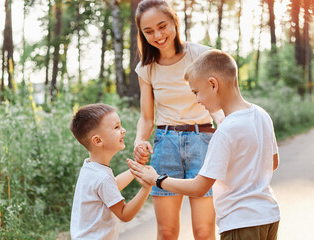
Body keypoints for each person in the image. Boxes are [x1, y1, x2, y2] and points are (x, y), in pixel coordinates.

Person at [129, 50, 281, 240]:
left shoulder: (225, 130)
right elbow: (272, 163)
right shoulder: (261, 114)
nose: (197, 100)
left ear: (213, 84)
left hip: (240, 222)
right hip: (269, 216)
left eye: (196, 92)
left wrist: (157, 179)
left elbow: (200, 187)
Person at [132, 0, 225, 239]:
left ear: (174, 21)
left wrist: (230, 132)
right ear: (142, 34)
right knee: (167, 232)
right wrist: (138, 142)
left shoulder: (201, 54)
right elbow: (146, 117)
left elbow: (219, 102)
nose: (157, 35)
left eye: (162, 26)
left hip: (203, 141)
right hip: (166, 144)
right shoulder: (147, 68)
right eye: (149, 31)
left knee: (204, 232)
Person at [69, 103, 151, 239]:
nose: (123, 130)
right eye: (116, 127)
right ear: (98, 140)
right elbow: (124, 214)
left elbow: (113, 185)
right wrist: (146, 188)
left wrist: (137, 167)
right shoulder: (102, 177)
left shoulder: (90, 167)